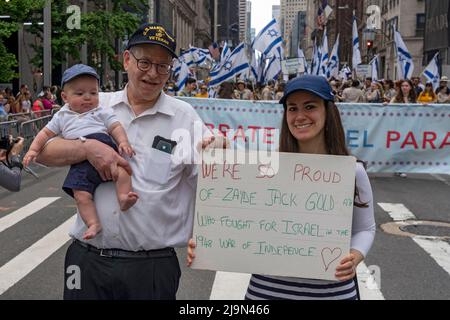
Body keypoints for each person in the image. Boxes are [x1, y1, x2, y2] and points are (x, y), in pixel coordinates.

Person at [35, 23, 217, 300]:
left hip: (152, 266)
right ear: (127, 60)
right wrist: (88, 148)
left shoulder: (185, 117)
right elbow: (45, 150)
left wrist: (219, 152)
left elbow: (211, 180)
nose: (153, 73)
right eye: (145, 62)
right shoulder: (94, 103)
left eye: (163, 66)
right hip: (87, 260)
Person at [188, 75, 376, 300]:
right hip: (267, 291)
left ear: (328, 112)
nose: (299, 116)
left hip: (332, 292)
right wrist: (208, 244)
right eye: (292, 108)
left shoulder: (352, 171)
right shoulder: (269, 166)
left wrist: (355, 256)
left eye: (310, 107)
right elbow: (238, 173)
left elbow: (365, 228)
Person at [23, 64, 138, 240]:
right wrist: (32, 150)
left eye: (93, 93)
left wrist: (123, 142)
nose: (87, 98)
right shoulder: (61, 116)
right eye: (79, 94)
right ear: (64, 97)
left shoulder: (101, 110)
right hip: (81, 164)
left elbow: (115, 127)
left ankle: (123, 197)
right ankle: (93, 223)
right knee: (81, 195)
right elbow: (44, 134)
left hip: (107, 147)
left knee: (124, 171)